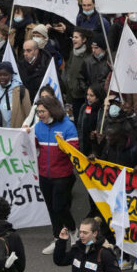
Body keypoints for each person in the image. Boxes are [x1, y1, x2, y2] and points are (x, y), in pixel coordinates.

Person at [34, 96, 79, 255]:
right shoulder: (38, 126)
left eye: (42, 111)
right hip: (44, 175)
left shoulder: (68, 126)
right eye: (38, 112)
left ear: (52, 110)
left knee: (60, 207)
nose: (40, 115)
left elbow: (74, 151)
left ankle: (74, 233)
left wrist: (63, 145)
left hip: (62, 176)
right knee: (51, 209)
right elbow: (32, 146)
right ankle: (57, 239)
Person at [0, 61, 32, 128]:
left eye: (5, 75)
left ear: (11, 75)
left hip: (13, 133)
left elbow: (28, 115)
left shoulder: (21, 91)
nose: (2, 77)